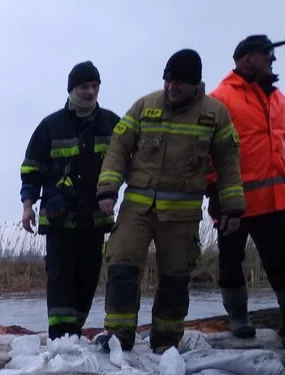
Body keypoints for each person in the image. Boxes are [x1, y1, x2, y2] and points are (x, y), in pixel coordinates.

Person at [94, 49, 245, 353]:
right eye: (168, 80)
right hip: (137, 208)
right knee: (122, 264)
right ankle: (119, 335)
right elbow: (118, 148)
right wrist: (107, 189)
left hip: (182, 215)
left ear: (195, 84)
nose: (171, 87)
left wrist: (232, 207)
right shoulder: (145, 105)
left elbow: (229, 162)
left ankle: (165, 341)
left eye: (179, 82)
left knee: (175, 277)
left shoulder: (214, 114)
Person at [20, 61, 121, 339]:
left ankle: (74, 334)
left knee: (87, 282)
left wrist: (113, 193)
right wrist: (28, 206)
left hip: (95, 220)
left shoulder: (113, 124)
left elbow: (128, 163)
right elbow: (31, 171)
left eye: (95, 86)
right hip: (58, 220)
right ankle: (59, 340)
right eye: (84, 87)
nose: (90, 92)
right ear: (72, 90)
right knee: (60, 281)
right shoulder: (50, 127)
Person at [206, 34, 285, 338]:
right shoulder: (220, 98)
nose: (272, 60)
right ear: (247, 58)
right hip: (233, 202)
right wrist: (213, 191)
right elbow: (209, 151)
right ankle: (238, 318)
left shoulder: (277, 98)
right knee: (230, 262)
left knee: (280, 261)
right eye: (267, 55)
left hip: (275, 201)